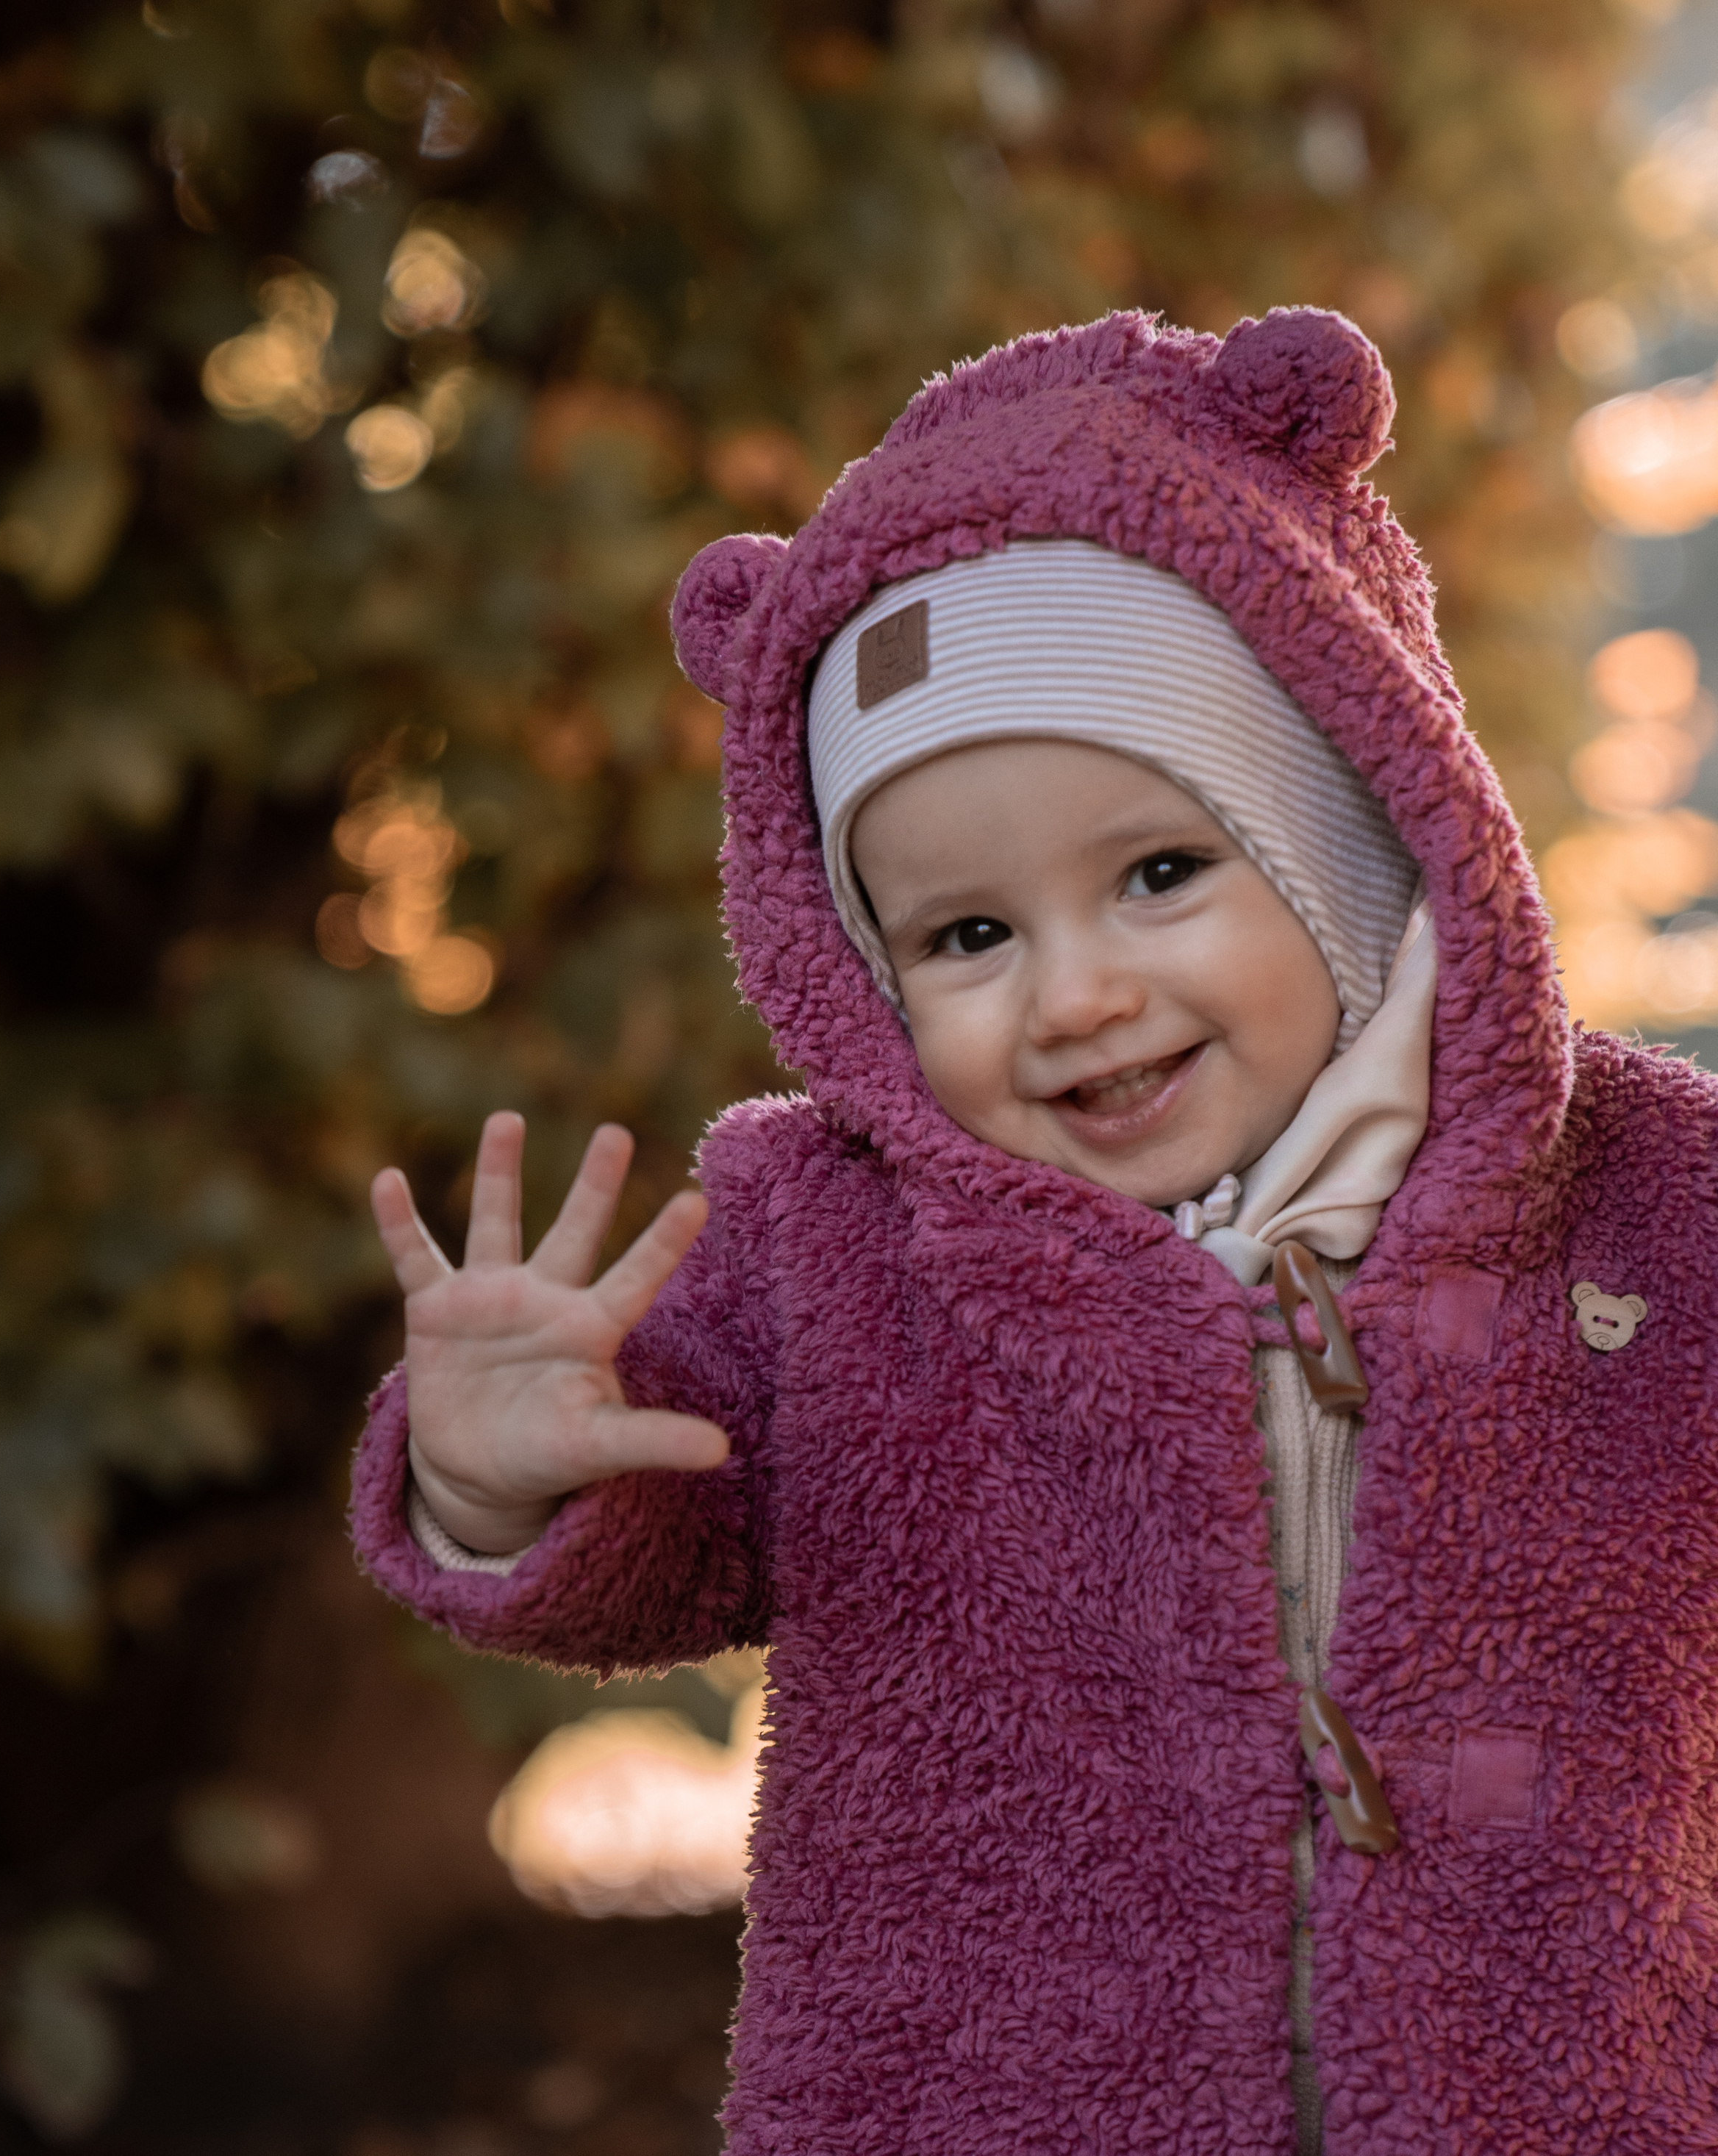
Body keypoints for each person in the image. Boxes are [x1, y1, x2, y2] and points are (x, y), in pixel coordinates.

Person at [350, 308, 1718, 2155]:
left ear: (1352, 841)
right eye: (968, 936)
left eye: (1159, 874)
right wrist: (505, 1480)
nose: (1072, 997)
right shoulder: (829, 1250)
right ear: (863, 975)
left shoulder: (1644, 1191)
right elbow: (668, 1543)